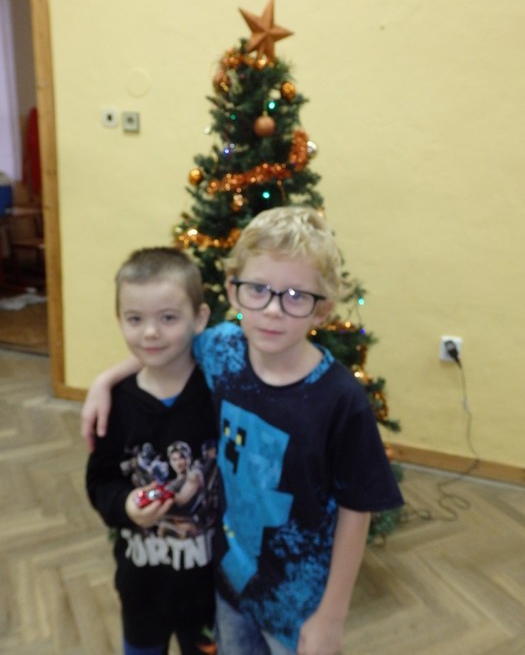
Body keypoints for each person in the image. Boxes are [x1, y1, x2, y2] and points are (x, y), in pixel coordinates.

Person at [82, 207, 404, 655]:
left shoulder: (340, 400)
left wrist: (332, 616)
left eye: (296, 296)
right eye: (258, 290)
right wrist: (105, 381)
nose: (272, 310)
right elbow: (165, 344)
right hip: (229, 587)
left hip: (299, 606)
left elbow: (357, 509)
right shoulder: (223, 350)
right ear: (234, 291)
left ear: (323, 309)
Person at [85, 247, 218, 655]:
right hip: (142, 586)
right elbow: (101, 482)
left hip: (212, 591)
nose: (150, 333)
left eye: (168, 318)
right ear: (119, 320)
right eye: (135, 319)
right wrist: (126, 505)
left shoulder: (220, 394)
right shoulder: (115, 405)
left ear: (200, 319)